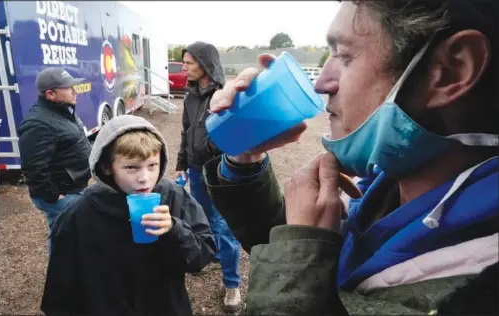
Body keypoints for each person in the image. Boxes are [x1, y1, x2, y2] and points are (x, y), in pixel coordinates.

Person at [202, 0, 499, 315]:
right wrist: (245, 158)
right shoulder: (378, 182)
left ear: (450, 71)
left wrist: (306, 242)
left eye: (344, 56)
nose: (321, 83)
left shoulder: (477, 289)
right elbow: (302, 264)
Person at [40, 115, 217, 316]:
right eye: (131, 167)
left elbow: (201, 257)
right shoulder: (79, 213)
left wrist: (175, 229)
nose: (144, 178)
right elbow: (60, 290)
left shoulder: (174, 198)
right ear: (107, 167)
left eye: (152, 165)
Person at [175, 41, 242, 312]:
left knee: (223, 226)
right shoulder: (190, 95)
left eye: (188, 63)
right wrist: (182, 162)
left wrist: (216, 154)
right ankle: (208, 256)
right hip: (194, 169)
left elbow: (235, 136)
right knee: (199, 220)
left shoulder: (226, 96)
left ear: (205, 64)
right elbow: (186, 130)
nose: (183, 67)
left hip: (219, 172)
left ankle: (232, 284)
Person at [18, 67, 91, 252]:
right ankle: (60, 278)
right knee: (63, 238)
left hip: (73, 188)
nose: (76, 91)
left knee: (72, 235)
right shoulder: (38, 124)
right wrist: (54, 196)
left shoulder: (62, 111)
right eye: (69, 88)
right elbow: (33, 168)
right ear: (50, 94)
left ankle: (71, 272)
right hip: (63, 194)